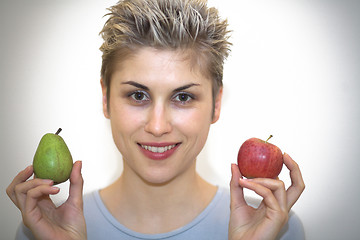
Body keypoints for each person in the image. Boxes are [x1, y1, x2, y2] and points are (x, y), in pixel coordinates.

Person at [7, 0, 305, 239]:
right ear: (105, 98)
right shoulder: (42, 228)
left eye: (183, 97)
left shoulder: (275, 227)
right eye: (138, 96)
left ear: (216, 105)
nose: (158, 126)